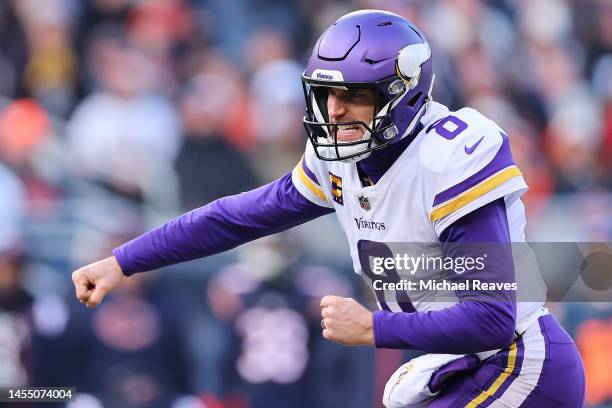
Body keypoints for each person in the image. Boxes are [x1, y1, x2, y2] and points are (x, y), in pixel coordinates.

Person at [72, 10, 585, 407]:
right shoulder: (340, 159)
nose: (334, 111)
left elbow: (491, 319)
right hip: (457, 365)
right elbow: (234, 218)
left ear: (402, 95)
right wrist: (123, 260)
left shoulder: (448, 155)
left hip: (517, 365)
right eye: (327, 94)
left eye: (354, 96)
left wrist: (373, 329)